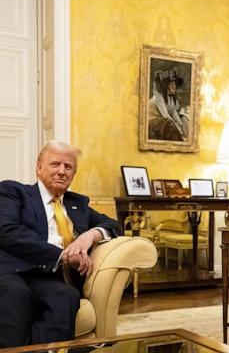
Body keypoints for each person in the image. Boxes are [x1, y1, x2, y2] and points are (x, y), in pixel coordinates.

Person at [0, 140, 122, 347]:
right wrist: (62, 254)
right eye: (55, 164)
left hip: (49, 277)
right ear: (39, 168)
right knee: (17, 295)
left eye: (68, 167)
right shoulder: (15, 192)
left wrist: (90, 235)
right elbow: (7, 230)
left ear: (74, 174)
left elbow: (113, 225)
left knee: (66, 296)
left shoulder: (77, 204)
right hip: (12, 271)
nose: (62, 172)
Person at [148, 68, 189, 141]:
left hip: (162, 118)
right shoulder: (159, 96)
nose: (174, 87)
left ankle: (186, 139)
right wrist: (178, 128)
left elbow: (173, 111)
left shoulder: (170, 97)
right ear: (166, 86)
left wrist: (180, 123)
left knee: (184, 119)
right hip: (151, 120)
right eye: (171, 85)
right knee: (169, 123)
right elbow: (165, 115)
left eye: (175, 84)